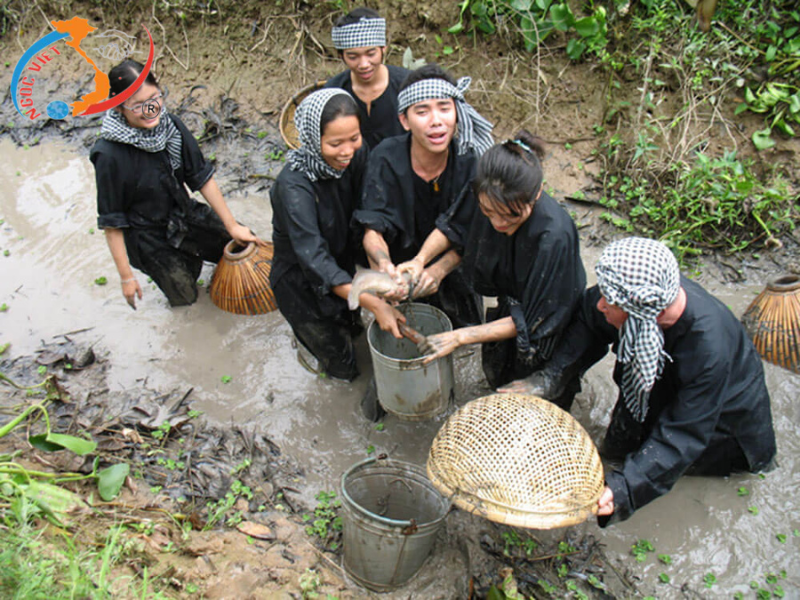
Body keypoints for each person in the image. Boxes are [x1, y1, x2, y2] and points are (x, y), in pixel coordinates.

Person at [511, 237, 777, 525]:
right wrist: (550, 379)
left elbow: (683, 435)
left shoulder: (708, 351)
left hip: (721, 429)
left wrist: (625, 488)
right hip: (656, 392)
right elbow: (589, 316)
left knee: (654, 464)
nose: (601, 304)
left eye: (609, 302)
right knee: (620, 447)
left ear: (649, 315)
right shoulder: (639, 296)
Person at [403, 133, 586, 406]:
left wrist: (461, 336)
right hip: (510, 306)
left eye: (511, 215)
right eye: (488, 212)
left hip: (549, 324)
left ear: (536, 193)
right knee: (500, 381)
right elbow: (454, 229)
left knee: (538, 399)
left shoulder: (553, 238)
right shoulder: (484, 190)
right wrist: (421, 261)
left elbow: (533, 321)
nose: (498, 223)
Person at [91, 59, 263, 308]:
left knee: (244, 245)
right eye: (138, 105)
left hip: (183, 214)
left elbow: (202, 178)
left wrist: (232, 225)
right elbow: (112, 223)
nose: (150, 109)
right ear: (119, 107)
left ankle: (194, 258)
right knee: (186, 297)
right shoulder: (109, 155)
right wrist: (126, 277)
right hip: (148, 237)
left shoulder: (171, 127)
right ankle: (182, 269)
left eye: (154, 98)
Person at [270, 88, 405, 382]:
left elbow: (368, 208)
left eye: (354, 138)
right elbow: (314, 259)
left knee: (353, 328)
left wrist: (381, 268)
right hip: (301, 286)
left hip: (341, 267)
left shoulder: (356, 156)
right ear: (311, 138)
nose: (346, 151)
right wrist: (375, 303)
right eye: (334, 143)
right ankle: (320, 356)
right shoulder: (293, 187)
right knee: (342, 367)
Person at [353, 63, 494, 330]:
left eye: (444, 107)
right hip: (401, 269)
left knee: (463, 335)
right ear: (404, 120)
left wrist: (437, 271)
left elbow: (474, 234)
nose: (436, 121)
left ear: (457, 112)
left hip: (454, 267)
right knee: (402, 330)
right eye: (422, 111)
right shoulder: (385, 157)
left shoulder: (471, 161)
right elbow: (372, 227)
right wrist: (384, 265)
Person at [325, 7, 410, 149]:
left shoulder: (407, 85)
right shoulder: (333, 91)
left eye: (371, 54)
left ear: (384, 49)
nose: (364, 64)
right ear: (341, 56)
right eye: (353, 57)